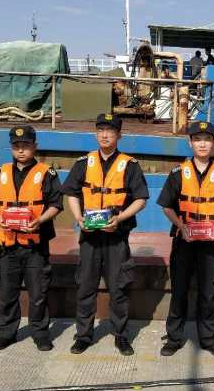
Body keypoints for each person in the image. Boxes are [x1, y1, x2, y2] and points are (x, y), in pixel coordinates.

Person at [61, 113, 149, 356]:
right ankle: (83, 336)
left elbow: (141, 199)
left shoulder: (130, 165)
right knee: (85, 288)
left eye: (110, 131)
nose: (105, 135)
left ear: (119, 135)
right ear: (95, 133)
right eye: (100, 130)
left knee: (119, 289)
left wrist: (120, 218)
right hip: (89, 237)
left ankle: (121, 336)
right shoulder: (83, 162)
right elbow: (71, 193)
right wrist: (79, 219)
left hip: (116, 238)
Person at [157, 121, 214, 357]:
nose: (203, 144)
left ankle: (209, 339)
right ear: (190, 143)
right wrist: (181, 226)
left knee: (209, 292)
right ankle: (174, 338)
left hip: (211, 242)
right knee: (179, 290)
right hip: (184, 240)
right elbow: (166, 205)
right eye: (197, 139)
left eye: (207, 139)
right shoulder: (178, 173)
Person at [0, 125, 62, 352]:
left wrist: (40, 220)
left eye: (25, 145)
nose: (20, 150)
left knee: (38, 294)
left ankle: (40, 334)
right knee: (7, 293)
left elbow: (56, 204)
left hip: (35, 245)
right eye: (16, 146)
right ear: (11, 147)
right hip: (7, 245)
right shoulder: (0, 173)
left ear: (34, 146)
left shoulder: (47, 173)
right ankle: (6, 334)